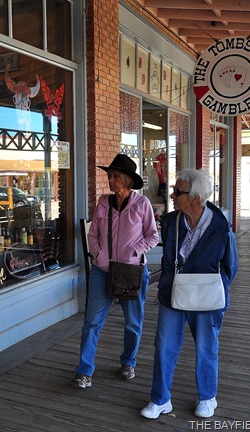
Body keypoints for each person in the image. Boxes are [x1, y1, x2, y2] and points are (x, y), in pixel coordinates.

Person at [140, 169, 238, 420]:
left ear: (195, 198)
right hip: (172, 292)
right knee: (164, 345)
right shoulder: (171, 222)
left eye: (177, 191)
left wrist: (214, 289)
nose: (171, 195)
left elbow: (230, 267)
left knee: (206, 347)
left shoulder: (220, 228)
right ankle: (160, 399)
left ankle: (207, 397)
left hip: (207, 297)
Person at [72, 154, 159, 388]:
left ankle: (128, 362)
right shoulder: (103, 202)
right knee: (92, 322)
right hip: (102, 271)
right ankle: (84, 370)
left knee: (132, 323)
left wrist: (136, 250)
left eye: (115, 177)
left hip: (132, 272)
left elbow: (153, 236)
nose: (111, 180)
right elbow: (93, 234)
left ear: (127, 180)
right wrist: (99, 255)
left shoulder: (142, 204)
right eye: (110, 176)